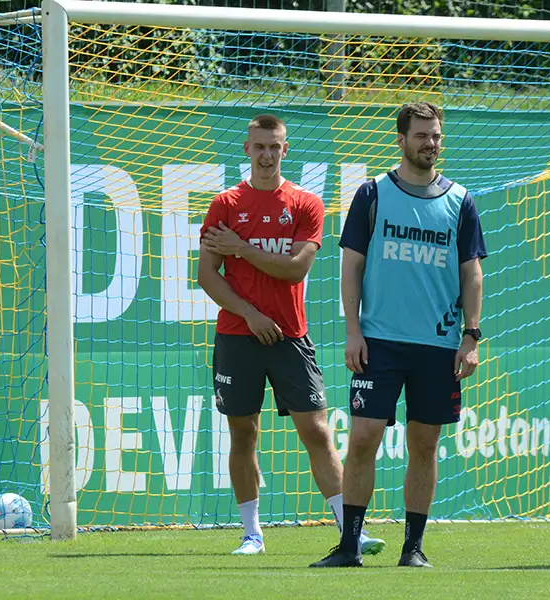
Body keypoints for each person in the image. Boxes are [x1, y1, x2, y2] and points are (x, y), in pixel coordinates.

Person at [198, 113, 385, 556]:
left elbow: (297, 267)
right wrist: (250, 314)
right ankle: (252, 535)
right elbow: (207, 276)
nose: (266, 154)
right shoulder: (225, 204)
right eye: (259, 146)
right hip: (237, 337)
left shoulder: (305, 204)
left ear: (286, 149)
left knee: (317, 431)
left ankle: (350, 531)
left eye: (274, 146)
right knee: (243, 434)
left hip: (290, 337)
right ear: (247, 150)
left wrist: (242, 248)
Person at [310, 101, 487, 569]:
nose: (431, 143)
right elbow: (351, 267)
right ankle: (349, 546)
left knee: (424, 444)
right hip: (380, 341)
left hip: (438, 345)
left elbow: (472, 273)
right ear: (401, 139)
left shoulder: (460, 200)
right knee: (364, 437)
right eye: (422, 135)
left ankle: (413, 548)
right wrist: (353, 331)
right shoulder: (372, 195)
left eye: (436, 136)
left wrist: (471, 336)